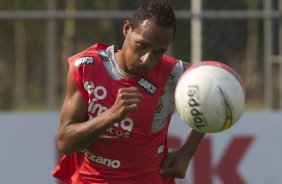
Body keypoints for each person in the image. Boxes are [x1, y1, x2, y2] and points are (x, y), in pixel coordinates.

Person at [52, 0, 205, 183]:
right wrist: (112, 115)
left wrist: (187, 152)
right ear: (126, 29)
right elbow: (66, 143)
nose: (147, 59)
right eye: (142, 45)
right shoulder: (86, 68)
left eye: (159, 52)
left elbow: (219, 87)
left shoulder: (171, 74)